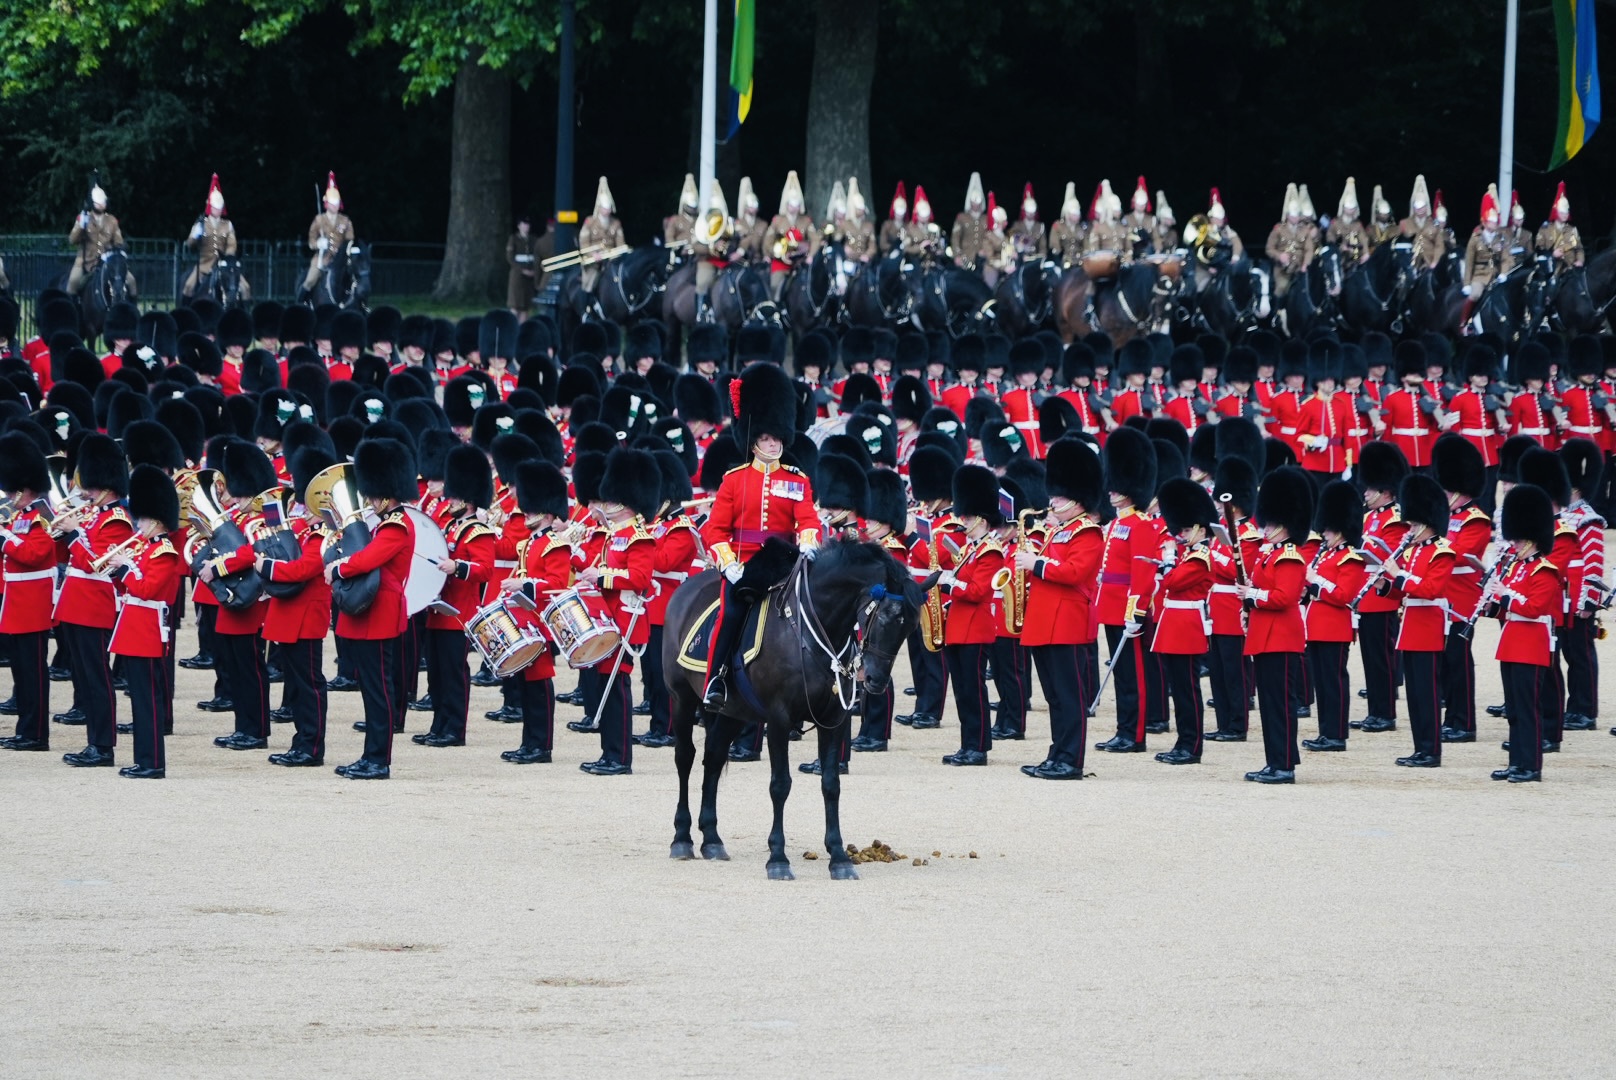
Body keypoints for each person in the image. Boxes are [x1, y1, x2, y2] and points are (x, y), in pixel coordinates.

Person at [699, 362, 821, 711]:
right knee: (731, 614)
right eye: (767, 439)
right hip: (745, 563)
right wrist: (728, 563)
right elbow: (717, 529)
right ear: (754, 442)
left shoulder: (797, 480)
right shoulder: (734, 480)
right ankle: (715, 680)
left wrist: (810, 540)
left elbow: (807, 519)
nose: (773, 444)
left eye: (777, 438)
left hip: (784, 562)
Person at [327, 438, 419, 780]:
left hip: (381, 611)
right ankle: (369, 755)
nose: (368, 501)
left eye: (372, 495)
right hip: (372, 609)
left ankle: (378, 760)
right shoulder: (387, 521)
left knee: (379, 690)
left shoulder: (396, 525)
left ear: (387, 494)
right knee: (371, 689)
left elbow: (368, 559)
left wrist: (338, 568)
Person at [576, 448, 658, 776]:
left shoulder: (639, 538)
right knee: (603, 684)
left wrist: (603, 576)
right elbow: (599, 568)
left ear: (624, 501)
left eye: (610, 499)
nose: (605, 504)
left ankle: (620, 756)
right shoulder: (614, 537)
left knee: (616, 686)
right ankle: (608, 752)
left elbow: (640, 579)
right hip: (607, 616)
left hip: (625, 616)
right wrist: (580, 560)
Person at [54, 434, 134, 768]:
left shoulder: (116, 520)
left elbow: (95, 563)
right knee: (84, 678)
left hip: (93, 606)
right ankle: (93, 742)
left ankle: (102, 746)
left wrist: (73, 534)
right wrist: (61, 533)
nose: (84, 490)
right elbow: (70, 557)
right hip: (75, 604)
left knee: (97, 678)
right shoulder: (94, 514)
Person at [257, 446, 336, 768]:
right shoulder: (303, 530)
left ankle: (311, 747)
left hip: (305, 617)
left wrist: (266, 566)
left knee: (308, 685)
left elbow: (304, 569)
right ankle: (301, 742)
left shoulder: (323, 535)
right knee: (297, 685)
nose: (302, 509)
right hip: (289, 615)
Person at [415, 447, 495, 748]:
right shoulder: (449, 526)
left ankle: (454, 729)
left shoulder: (479, 532)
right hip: (439, 610)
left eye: (455, 496)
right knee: (435, 675)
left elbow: (485, 570)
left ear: (469, 499)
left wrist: (457, 566)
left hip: (459, 614)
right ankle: (439, 724)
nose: (449, 501)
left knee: (453, 675)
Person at [200, 443, 277, 752]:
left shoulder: (266, 516)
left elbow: (253, 552)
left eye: (243, 495)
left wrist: (218, 566)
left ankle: (256, 730)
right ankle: (242, 726)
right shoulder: (239, 516)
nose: (238, 500)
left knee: (250, 668)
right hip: (231, 601)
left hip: (251, 600)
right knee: (234, 667)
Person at [107, 465, 182, 779]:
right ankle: (144, 759)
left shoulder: (164, 552)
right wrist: (117, 571)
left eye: (142, 519)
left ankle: (152, 763)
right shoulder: (145, 550)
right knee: (139, 700)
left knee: (148, 701)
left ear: (157, 521)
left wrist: (125, 568)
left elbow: (148, 590)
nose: (138, 524)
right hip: (134, 628)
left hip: (147, 631)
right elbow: (130, 588)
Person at [498, 460, 574, 764]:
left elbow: (556, 584)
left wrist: (522, 584)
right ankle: (529, 742)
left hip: (542, 623)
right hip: (525, 621)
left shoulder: (555, 544)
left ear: (545, 511)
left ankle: (541, 746)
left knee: (540, 684)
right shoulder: (530, 543)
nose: (525, 512)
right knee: (526, 684)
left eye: (530, 508)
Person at [1239, 466, 1312, 784]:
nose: (1264, 528)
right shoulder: (1270, 555)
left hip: (1281, 637)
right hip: (1266, 636)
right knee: (1269, 706)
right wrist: (1249, 604)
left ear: (1284, 525)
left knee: (1280, 705)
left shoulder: (1290, 557)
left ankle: (1283, 765)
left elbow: (1284, 597)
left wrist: (1252, 596)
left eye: (1270, 523)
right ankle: (1276, 760)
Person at [1377, 474, 1456, 768]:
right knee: (1414, 695)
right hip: (1410, 627)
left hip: (1428, 626)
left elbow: (1431, 589)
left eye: (1412, 524)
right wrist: (1385, 586)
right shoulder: (1412, 551)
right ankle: (1420, 747)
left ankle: (1431, 750)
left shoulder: (1443, 551)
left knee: (1427, 693)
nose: (1409, 530)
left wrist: (1399, 575)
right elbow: (1403, 591)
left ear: (1426, 521)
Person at [1094, 426, 1164, 754]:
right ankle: (1123, 729)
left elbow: (1144, 573)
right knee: (1120, 674)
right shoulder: (1117, 524)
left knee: (1133, 676)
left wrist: (1136, 612)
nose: (1110, 491)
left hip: (1127, 609)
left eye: (1117, 486)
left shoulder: (1141, 525)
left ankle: (1134, 735)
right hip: (1110, 606)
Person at [937, 464, 1005, 767]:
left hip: (975, 629)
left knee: (974, 691)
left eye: (967, 516)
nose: (963, 521)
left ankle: (977, 747)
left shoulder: (990, 551)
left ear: (981, 518)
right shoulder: (970, 549)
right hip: (959, 628)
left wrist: (950, 582)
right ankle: (967, 744)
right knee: (963, 691)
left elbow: (977, 591)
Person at [1493, 483, 1561, 782]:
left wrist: (1505, 596)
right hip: (1511, 644)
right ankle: (1516, 762)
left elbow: (1534, 608)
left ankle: (1531, 765)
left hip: (1531, 645)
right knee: (1514, 711)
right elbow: (1508, 607)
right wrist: (1492, 605)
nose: (1515, 543)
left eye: (1519, 539)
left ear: (1533, 539)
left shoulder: (1544, 571)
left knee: (1528, 708)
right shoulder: (1516, 568)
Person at [1151, 478, 1216, 765]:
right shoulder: (1189, 554)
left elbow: (1174, 582)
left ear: (1201, 529)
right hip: (1174, 624)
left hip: (1187, 625)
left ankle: (1192, 745)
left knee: (1188, 691)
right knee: (1178, 690)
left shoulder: (1200, 556)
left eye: (1188, 529)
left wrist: (1167, 559)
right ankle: (1182, 741)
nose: (1183, 534)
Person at [0, 434, 57, 753]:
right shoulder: (20, 516)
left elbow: (35, 554)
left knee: (34, 674)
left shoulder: (42, 517)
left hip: (33, 606)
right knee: (21, 673)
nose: (8, 495)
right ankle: (25, 729)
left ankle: (36, 734)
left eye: (12, 490)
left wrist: (4, 539)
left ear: (26, 488)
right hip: (17, 604)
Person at [1301, 482, 1367, 752]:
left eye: (1327, 529)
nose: (1324, 533)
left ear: (1340, 530)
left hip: (1334, 627)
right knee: (1322, 683)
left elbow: (1343, 595)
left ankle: (1336, 734)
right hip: (1316, 626)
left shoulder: (1350, 558)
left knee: (1334, 682)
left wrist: (1315, 582)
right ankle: (1325, 732)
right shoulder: (1326, 555)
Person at [1353, 442, 1411, 734]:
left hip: (1382, 596)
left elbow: (1392, 556)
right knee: (1369, 658)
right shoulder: (1369, 517)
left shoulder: (1395, 519)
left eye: (1370, 489)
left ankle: (1385, 713)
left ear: (1385, 490)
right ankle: (1375, 710)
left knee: (1382, 659)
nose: (1365, 493)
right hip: (1365, 595)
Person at [182, 174, 250, 301]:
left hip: (225, 265)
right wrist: (195, 236)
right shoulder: (201, 224)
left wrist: (226, 258)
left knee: (245, 288)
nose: (217, 210)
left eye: (219, 208)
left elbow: (232, 244)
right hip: (204, 266)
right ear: (210, 207)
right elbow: (190, 244)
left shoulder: (227, 225)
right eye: (214, 207)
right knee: (188, 286)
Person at [67, 181, 136, 298]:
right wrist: (80, 227)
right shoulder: (83, 218)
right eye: (98, 203)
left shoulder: (112, 220)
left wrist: (114, 249)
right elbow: (72, 240)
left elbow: (118, 241)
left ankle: (132, 310)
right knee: (72, 284)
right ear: (92, 203)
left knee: (132, 281)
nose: (101, 205)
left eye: (103, 202)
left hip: (108, 262)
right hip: (85, 262)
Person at [763, 170, 818, 297]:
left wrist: (810, 255)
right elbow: (768, 240)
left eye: (797, 205)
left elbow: (815, 239)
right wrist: (775, 252)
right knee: (775, 285)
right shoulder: (778, 220)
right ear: (787, 205)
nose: (794, 208)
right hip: (781, 262)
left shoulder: (806, 221)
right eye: (792, 205)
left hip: (801, 261)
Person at [303, 172, 354, 295]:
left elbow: (350, 239)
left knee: (356, 279)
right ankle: (300, 303)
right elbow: (311, 241)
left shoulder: (345, 221)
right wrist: (319, 244)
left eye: (337, 203)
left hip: (341, 259)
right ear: (326, 203)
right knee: (310, 281)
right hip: (322, 259)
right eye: (332, 203)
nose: (335, 205)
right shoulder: (319, 220)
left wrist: (348, 250)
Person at [576, 177, 626, 294]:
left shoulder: (616, 223)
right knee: (590, 281)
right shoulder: (589, 222)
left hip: (611, 258)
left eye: (608, 209)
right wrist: (593, 254)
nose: (607, 211)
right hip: (594, 259)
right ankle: (587, 303)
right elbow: (584, 243)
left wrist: (617, 253)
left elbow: (620, 243)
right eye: (604, 208)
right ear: (599, 208)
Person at [1265, 183, 1315, 299]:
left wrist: (1305, 264)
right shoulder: (1278, 230)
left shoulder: (1305, 231)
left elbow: (1309, 249)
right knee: (1281, 288)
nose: (1296, 218)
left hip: (1300, 268)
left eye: (1297, 215)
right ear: (1287, 215)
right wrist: (1279, 255)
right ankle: (1279, 314)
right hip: (1283, 270)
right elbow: (1269, 248)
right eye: (1293, 215)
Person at [1462, 186, 1510, 301]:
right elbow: (1469, 262)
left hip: (1495, 275)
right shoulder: (1475, 238)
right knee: (1475, 295)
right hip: (1480, 276)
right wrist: (1467, 283)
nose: (1494, 223)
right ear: (1484, 222)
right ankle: (1466, 319)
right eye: (1492, 221)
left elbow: (1505, 258)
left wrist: (1504, 273)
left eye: (1495, 221)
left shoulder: (1500, 238)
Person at [1535, 182, 1585, 278]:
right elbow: (1539, 250)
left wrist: (1580, 261)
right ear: (1556, 212)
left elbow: (1579, 249)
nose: (1565, 215)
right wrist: (1552, 254)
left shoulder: (1572, 230)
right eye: (1562, 212)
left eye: (1566, 212)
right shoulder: (1545, 229)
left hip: (1569, 269)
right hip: (1550, 269)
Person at [1399, 174, 1446, 271]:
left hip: (1430, 264)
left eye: (1422, 206)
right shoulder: (1404, 223)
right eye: (1417, 206)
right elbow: (1399, 244)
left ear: (1426, 207)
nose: (1420, 209)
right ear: (1413, 207)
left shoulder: (1434, 224)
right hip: (1409, 265)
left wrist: (1435, 262)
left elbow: (1439, 246)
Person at [950, 172, 989, 272]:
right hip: (966, 257)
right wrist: (957, 255)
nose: (975, 204)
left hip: (983, 257)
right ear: (970, 202)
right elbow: (955, 237)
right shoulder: (962, 217)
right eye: (973, 201)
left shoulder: (987, 218)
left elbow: (990, 236)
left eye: (978, 202)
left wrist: (987, 250)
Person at [1327, 177, 1370, 264]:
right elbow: (1330, 235)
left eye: (1352, 209)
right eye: (1348, 208)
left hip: (1355, 256)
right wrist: (1338, 247)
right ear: (1343, 208)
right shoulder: (1335, 222)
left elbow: (1363, 238)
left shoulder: (1358, 224)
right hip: (1339, 256)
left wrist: (1366, 253)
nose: (1350, 211)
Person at [507, 215, 543, 312]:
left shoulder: (533, 239)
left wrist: (534, 271)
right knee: (515, 303)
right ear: (519, 226)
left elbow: (537, 257)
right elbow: (510, 258)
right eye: (524, 224)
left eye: (528, 224)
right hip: (517, 276)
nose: (526, 226)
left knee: (526, 305)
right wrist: (522, 270)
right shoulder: (513, 239)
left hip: (530, 276)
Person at [1048, 183, 1087, 269]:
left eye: (1078, 213)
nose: (1077, 216)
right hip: (1063, 262)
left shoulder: (1082, 227)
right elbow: (1055, 247)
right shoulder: (1058, 226)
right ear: (1068, 214)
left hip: (1080, 263)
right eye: (1074, 214)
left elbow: (1086, 246)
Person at [1009, 183, 1048, 261]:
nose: (1030, 214)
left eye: (1032, 212)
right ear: (1025, 211)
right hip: (1020, 259)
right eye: (1028, 212)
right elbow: (1011, 243)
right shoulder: (1016, 226)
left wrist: (1040, 258)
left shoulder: (1040, 227)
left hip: (1035, 259)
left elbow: (1043, 247)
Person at [879, 181, 909, 255]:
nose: (900, 216)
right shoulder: (887, 225)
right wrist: (894, 248)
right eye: (898, 213)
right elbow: (882, 244)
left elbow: (909, 242)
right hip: (889, 253)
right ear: (894, 212)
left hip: (904, 254)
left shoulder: (908, 226)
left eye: (901, 213)